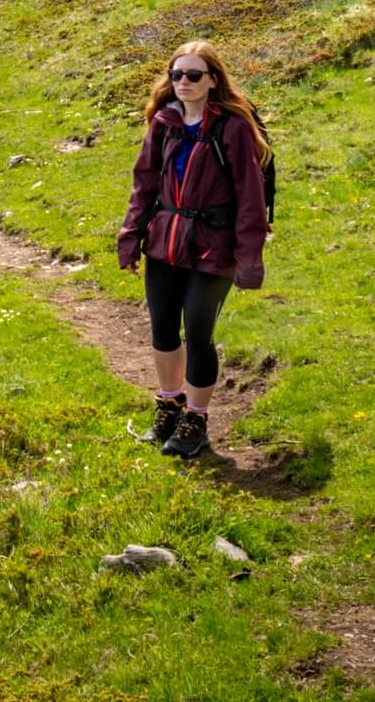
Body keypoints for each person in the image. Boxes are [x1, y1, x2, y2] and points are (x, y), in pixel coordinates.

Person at [116, 39, 272, 458]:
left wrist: (249, 258)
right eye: (176, 74)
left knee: (198, 334)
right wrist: (130, 238)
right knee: (164, 331)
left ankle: (197, 420)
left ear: (213, 80)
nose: (183, 82)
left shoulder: (233, 128)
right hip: (164, 243)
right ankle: (169, 405)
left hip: (213, 247)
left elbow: (250, 196)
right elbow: (143, 186)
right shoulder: (162, 123)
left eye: (193, 75)